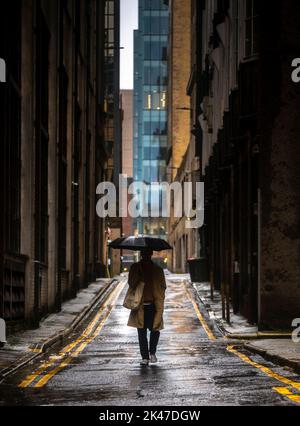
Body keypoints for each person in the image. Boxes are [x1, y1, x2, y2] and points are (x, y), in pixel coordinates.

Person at [127, 249, 166, 366]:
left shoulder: (158, 270)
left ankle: (152, 352)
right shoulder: (135, 268)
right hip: (139, 305)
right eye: (143, 254)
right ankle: (145, 357)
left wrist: (160, 295)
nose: (145, 256)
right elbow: (131, 283)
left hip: (154, 305)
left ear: (151, 254)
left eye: (147, 254)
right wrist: (139, 276)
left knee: (155, 329)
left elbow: (163, 285)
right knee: (141, 332)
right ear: (141, 255)